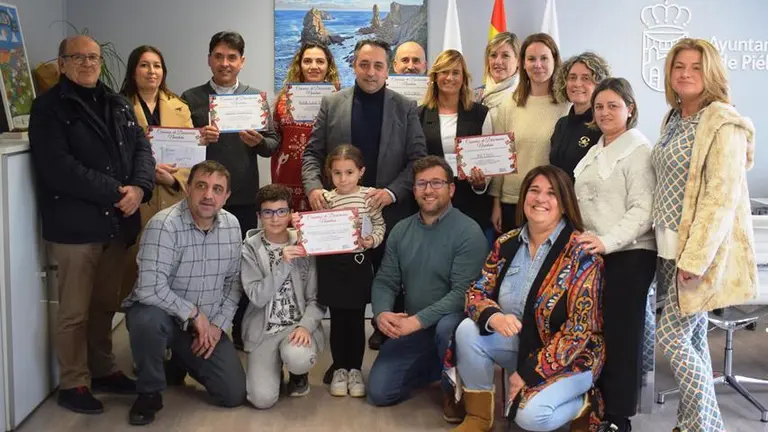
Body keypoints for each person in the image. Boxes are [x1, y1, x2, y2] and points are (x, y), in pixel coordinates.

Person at [29, 35, 154, 414]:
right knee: (74, 311)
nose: (88, 63)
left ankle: (102, 369)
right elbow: (59, 167)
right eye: (78, 57)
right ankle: (73, 383)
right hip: (75, 228)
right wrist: (117, 191)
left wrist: (140, 187)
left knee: (104, 305)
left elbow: (142, 148)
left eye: (94, 57)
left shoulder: (117, 102)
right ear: (62, 63)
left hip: (117, 224)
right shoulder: (48, 108)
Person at [450, 165, 605, 432]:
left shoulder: (582, 254)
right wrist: (493, 316)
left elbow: (579, 332)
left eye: (551, 193)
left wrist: (528, 373)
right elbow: (476, 292)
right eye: (534, 190)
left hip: (573, 357)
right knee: (467, 330)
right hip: (523, 344)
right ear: (524, 198)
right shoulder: (506, 243)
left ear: (564, 204)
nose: (540, 199)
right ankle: (479, 417)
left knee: (529, 417)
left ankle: (585, 404)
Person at [302, 38, 427, 369]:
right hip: (340, 219)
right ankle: (344, 363)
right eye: (364, 65)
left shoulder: (405, 107)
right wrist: (314, 188)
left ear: (387, 70)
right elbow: (312, 154)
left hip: (389, 213)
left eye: (378, 66)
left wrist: (392, 193)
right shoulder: (332, 103)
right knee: (345, 291)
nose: (371, 72)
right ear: (354, 66)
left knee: (390, 282)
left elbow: (418, 159)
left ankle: (390, 353)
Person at [653, 38, 757, 432]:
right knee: (694, 340)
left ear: (711, 73)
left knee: (671, 338)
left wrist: (695, 259)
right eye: (679, 66)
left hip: (697, 253)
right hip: (667, 246)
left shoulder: (724, 123)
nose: (685, 74)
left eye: (696, 67)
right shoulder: (674, 117)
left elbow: (719, 198)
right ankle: (688, 424)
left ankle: (710, 427)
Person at [122, 161, 246, 425]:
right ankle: (149, 393)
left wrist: (217, 325)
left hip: (204, 326)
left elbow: (233, 283)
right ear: (188, 188)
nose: (208, 195)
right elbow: (149, 288)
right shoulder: (163, 225)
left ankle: (176, 361)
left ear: (226, 196)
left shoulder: (233, 225)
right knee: (146, 320)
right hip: (164, 318)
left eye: (217, 189)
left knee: (233, 393)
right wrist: (194, 314)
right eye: (201, 186)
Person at [181, 31, 280, 350]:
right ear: (209, 59)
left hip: (242, 196)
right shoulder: (191, 98)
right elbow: (178, 145)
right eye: (219, 56)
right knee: (200, 263)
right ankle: (197, 325)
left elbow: (272, 144)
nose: (225, 63)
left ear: (242, 61)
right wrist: (198, 138)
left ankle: (237, 326)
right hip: (202, 199)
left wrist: (259, 141)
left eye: (232, 57)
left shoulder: (256, 98)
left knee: (240, 264)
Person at [367, 156, 487, 416]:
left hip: (454, 325)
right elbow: (386, 280)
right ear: (414, 190)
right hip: (417, 327)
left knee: (446, 327)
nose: (428, 190)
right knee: (379, 392)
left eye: (436, 183)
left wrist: (417, 321)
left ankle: (454, 389)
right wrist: (382, 312)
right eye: (421, 184)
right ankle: (439, 365)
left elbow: (462, 294)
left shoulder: (469, 232)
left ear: (451, 189)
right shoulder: (401, 230)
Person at [573, 78, 656, 432]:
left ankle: (619, 418)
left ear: (630, 109)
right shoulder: (597, 149)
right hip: (598, 253)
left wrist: (606, 242)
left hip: (630, 254)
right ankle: (597, 406)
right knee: (599, 333)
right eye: (599, 107)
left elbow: (643, 211)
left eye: (613, 106)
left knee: (622, 337)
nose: (604, 112)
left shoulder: (638, 150)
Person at [118, 44, 194, 304]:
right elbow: (115, 155)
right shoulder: (117, 107)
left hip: (172, 196)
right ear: (133, 71)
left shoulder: (180, 107)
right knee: (133, 268)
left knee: (172, 267)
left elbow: (190, 157)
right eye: (144, 65)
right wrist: (149, 172)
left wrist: (173, 179)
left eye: (157, 66)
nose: (152, 71)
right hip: (137, 198)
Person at [241, 184, 326, 409]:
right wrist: (283, 264)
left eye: (281, 211)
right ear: (259, 216)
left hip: (296, 327)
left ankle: (298, 374)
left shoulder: (305, 241)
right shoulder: (250, 248)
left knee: (298, 357)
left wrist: (305, 326)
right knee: (261, 400)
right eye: (268, 212)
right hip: (264, 330)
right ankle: (273, 368)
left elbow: (317, 298)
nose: (275, 218)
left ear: (290, 213)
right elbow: (256, 297)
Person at [314, 145, 385, 397]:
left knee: (355, 320)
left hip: (358, 265)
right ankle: (340, 368)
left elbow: (379, 225)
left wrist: (371, 240)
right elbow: (318, 229)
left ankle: (355, 369)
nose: (343, 179)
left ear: (361, 172)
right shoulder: (327, 199)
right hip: (332, 267)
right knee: (337, 320)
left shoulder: (369, 197)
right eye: (337, 173)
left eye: (349, 172)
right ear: (329, 173)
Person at [491, 33, 570, 234]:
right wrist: (496, 203)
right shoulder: (509, 104)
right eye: (531, 59)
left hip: (550, 203)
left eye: (544, 58)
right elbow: (499, 158)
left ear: (555, 61)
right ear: (523, 64)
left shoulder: (567, 106)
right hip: (512, 201)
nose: (538, 65)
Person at [418, 49, 493, 238]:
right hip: (432, 202)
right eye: (444, 72)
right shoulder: (419, 115)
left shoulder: (481, 114)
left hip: (470, 203)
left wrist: (480, 183)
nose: (449, 77)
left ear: (463, 78)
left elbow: (488, 163)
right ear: (435, 77)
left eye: (455, 72)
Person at [272, 42, 340, 212]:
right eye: (307, 61)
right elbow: (275, 141)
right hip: (288, 176)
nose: (313, 66)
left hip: (324, 179)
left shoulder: (339, 101)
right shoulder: (284, 100)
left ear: (328, 66)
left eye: (320, 61)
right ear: (299, 65)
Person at [550, 52, 611, 182]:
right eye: (572, 77)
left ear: (599, 85)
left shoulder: (603, 126)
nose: (577, 84)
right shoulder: (561, 124)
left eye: (586, 78)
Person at [473, 32, 521, 132]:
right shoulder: (474, 96)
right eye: (493, 55)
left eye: (505, 55)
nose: (498, 61)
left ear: (518, 61)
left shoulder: (526, 95)